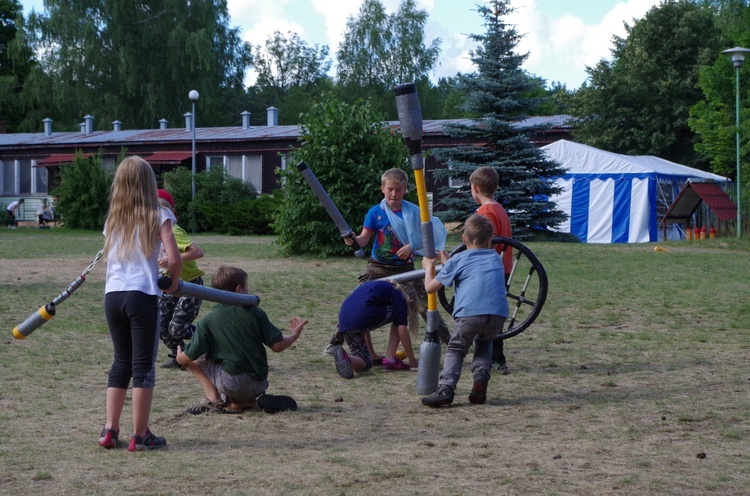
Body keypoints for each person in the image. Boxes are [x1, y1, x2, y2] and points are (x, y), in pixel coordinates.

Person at [98, 156, 182, 452]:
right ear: (149, 183)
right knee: (143, 366)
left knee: (121, 362)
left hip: (113, 296)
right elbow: (173, 259)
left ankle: (110, 430)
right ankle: (140, 434)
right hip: (142, 295)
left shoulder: (113, 219)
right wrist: (172, 282)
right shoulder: (158, 215)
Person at [343, 168, 450, 357]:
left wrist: (411, 246)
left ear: (405, 190)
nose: (394, 194)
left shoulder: (413, 212)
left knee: (425, 306)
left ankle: (450, 342)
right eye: (390, 189)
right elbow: (363, 240)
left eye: (398, 190)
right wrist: (352, 239)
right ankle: (362, 351)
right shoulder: (375, 212)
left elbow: (426, 237)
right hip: (378, 267)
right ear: (383, 189)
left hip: (406, 269)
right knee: (358, 301)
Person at [176, 266, 307, 414]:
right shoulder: (255, 313)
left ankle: (214, 400)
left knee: (197, 357)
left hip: (232, 385)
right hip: (260, 384)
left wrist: (180, 358)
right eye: (247, 287)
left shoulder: (207, 320)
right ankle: (246, 404)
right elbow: (277, 346)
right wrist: (294, 335)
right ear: (239, 289)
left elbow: (189, 356)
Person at [420, 214, 509, 407]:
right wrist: (449, 263)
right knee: (485, 343)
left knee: (456, 349)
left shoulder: (458, 260)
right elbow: (473, 271)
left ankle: (445, 389)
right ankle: (481, 377)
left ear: (463, 239)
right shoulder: (495, 257)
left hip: (470, 314)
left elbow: (430, 287)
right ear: (489, 240)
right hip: (497, 315)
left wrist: (429, 267)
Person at [469, 166, 513, 374]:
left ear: (476, 188)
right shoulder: (500, 209)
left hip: (488, 271)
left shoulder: (485, 212)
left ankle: (491, 359)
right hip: (502, 268)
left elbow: (485, 245)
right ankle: (497, 358)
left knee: (484, 315)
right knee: (494, 314)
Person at [329, 280, 420, 379]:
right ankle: (390, 359)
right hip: (363, 316)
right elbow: (402, 330)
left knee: (366, 363)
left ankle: (346, 357)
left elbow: (363, 310)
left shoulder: (373, 286)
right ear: (410, 298)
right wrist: (412, 360)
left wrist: (372, 355)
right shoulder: (399, 295)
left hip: (345, 321)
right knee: (399, 316)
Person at [156, 189, 205, 369]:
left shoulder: (174, 231)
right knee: (161, 327)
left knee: (177, 329)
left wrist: (172, 259)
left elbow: (198, 252)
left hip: (189, 285)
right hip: (169, 286)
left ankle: (210, 335)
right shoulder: (152, 234)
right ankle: (181, 358)